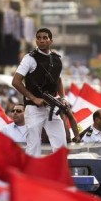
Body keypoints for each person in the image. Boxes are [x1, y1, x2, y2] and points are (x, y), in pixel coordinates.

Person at [12, 27, 67, 156]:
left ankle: (60, 173)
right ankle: (32, 174)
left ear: (51, 41)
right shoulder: (29, 58)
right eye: (39, 38)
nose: (41, 41)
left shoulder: (56, 59)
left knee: (61, 144)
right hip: (33, 108)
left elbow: (58, 81)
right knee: (34, 146)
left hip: (52, 108)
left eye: (45, 38)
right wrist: (33, 98)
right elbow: (16, 81)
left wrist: (63, 98)